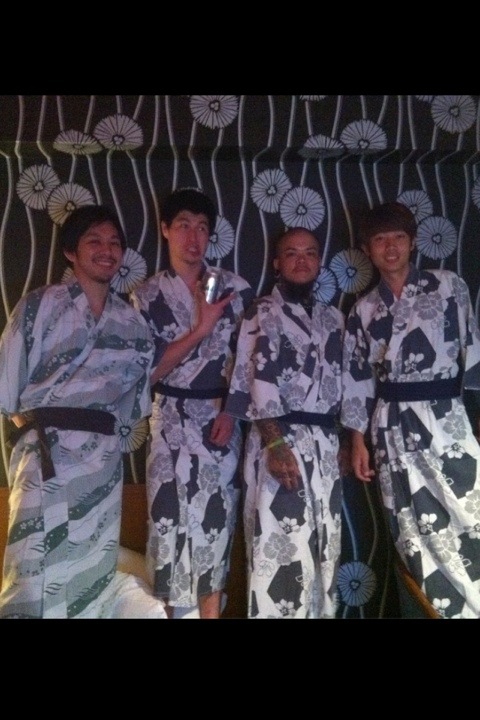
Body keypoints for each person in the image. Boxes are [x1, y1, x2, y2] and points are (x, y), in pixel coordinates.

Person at [0, 204, 155, 618]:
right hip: (45, 453)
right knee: (32, 563)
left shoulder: (133, 324)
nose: (107, 250)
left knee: (92, 566)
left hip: (102, 461)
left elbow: (133, 407)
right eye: (94, 240)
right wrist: (40, 432)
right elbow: (7, 388)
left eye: (115, 242)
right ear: (71, 251)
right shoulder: (38, 306)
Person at [340, 201, 480, 619]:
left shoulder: (449, 286)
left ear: (413, 242)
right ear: (368, 249)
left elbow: (472, 350)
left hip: (446, 418)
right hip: (392, 424)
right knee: (410, 523)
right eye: (380, 239)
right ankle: (432, 609)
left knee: (469, 509)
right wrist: (357, 440)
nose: (390, 247)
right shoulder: (363, 310)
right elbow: (357, 381)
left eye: (398, 237)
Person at [130, 188, 254, 619]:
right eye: (183, 225)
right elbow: (147, 372)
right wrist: (200, 329)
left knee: (215, 523)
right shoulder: (145, 296)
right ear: (165, 230)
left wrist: (232, 411)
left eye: (202, 227)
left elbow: (250, 357)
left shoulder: (235, 289)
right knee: (166, 521)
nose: (193, 237)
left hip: (220, 419)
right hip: (168, 418)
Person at [225, 227, 346, 619]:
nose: (301, 260)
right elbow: (253, 378)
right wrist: (275, 444)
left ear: (319, 262)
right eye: (291, 253)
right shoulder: (261, 312)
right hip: (278, 438)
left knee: (325, 544)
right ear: (277, 263)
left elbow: (350, 383)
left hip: (325, 443)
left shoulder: (334, 319)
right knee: (279, 547)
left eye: (310, 252)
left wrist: (347, 440)